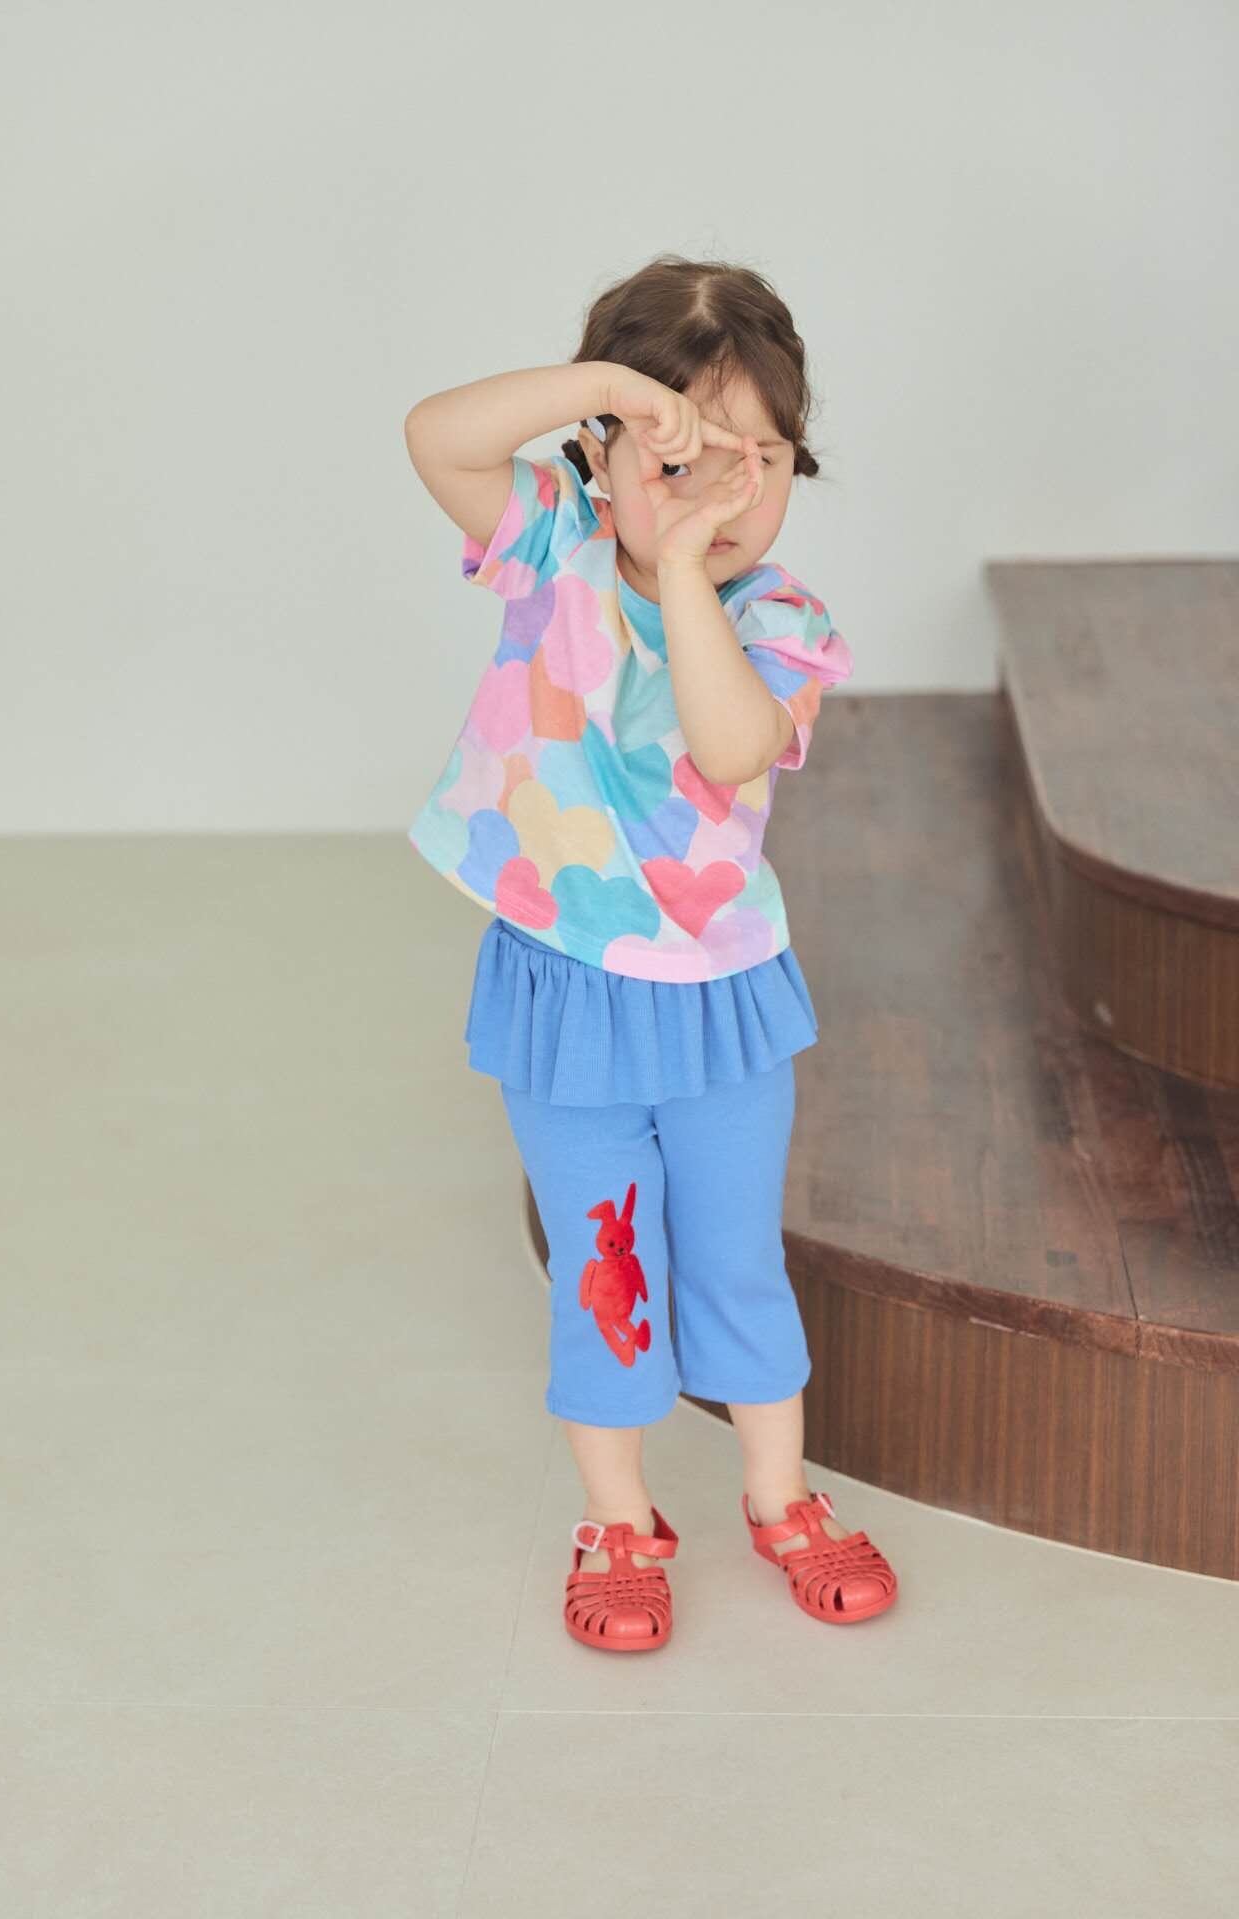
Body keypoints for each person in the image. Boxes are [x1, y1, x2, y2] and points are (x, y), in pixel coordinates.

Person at [404, 253, 897, 1653]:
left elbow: (730, 745)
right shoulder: (551, 545)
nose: (724, 495)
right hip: (566, 996)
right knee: (607, 1263)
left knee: (734, 1254)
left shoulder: (780, 621)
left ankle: (778, 1493)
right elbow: (436, 435)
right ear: (601, 454)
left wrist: (682, 559)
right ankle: (619, 1517)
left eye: (762, 464)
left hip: (719, 1002)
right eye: (684, 461)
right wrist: (612, 389)